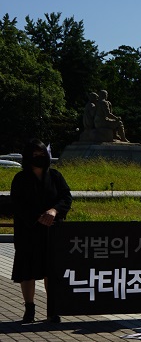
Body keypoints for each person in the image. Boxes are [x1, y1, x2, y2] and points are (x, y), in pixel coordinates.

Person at [10, 139, 72, 324]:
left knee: (50, 271)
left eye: (42, 154)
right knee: (27, 271)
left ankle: (52, 309)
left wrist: (54, 211)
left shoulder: (55, 176)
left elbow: (66, 197)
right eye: (35, 155)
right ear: (28, 157)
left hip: (51, 232)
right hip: (27, 232)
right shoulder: (20, 179)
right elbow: (17, 204)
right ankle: (29, 308)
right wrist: (38, 217)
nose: (39, 158)